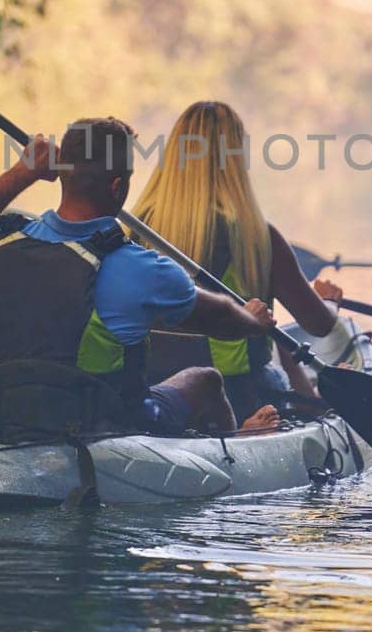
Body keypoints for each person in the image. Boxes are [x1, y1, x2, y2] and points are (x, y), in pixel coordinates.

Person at [0, 116, 280, 436]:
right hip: (100, 423)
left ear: (62, 176)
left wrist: (24, 172)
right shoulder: (141, 268)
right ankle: (237, 442)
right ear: (117, 187)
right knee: (205, 380)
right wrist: (252, 321)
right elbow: (221, 320)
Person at [132, 101, 346, 424]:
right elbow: (319, 325)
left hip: (159, 393)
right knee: (281, 352)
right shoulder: (258, 238)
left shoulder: (137, 228)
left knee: (280, 344)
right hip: (241, 396)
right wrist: (330, 303)